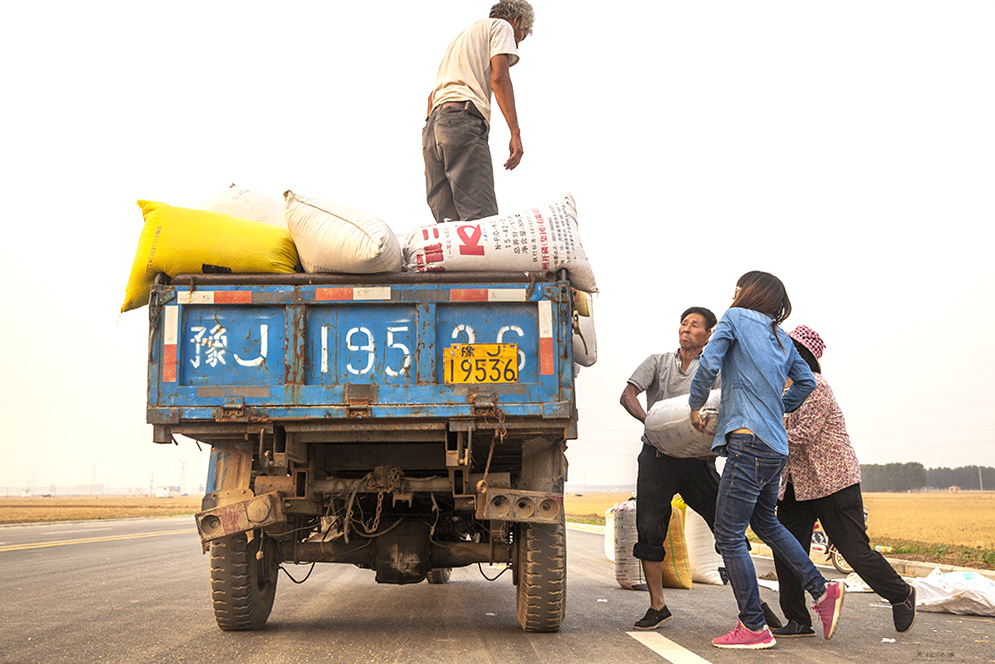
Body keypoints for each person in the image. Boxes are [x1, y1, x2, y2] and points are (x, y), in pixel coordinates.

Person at [689, 271, 844, 650]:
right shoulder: (781, 337)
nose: (734, 293)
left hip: (747, 442)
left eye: (739, 287)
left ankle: (754, 625)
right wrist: (778, 408)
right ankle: (821, 589)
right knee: (765, 522)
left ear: (749, 293)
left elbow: (709, 364)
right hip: (775, 448)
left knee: (728, 535)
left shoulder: (735, 319)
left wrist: (695, 403)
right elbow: (805, 382)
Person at [772, 325, 916, 637]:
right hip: (796, 486)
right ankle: (797, 619)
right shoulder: (781, 390)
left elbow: (803, 434)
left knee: (854, 550)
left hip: (832, 482)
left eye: (786, 349)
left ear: (801, 355)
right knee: (786, 551)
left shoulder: (815, 385)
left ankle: (901, 594)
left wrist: (760, 435)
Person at [620, 307, 721, 630]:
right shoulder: (658, 362)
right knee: (650, 529)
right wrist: (649, 421)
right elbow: (628, 395)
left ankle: (754, 605)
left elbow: (725, 406)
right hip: (657, 457)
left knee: (726, 524)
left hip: (696, 461)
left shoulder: (715, 368)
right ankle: (657, 605)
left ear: (709, 335)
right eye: (684, 323)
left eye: (695, 325)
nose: (686, 329)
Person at [422, 1, 533, 223]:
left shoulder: (461, 39)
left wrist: (429, 160)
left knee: (450, 229)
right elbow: (499, 78)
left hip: (433, 130)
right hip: (462, 123)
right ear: (517, 21)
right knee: (482, 224)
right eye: (519, 37)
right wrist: (515, 132)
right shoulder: (500, 27)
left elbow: (431, 97)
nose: (516, 46)